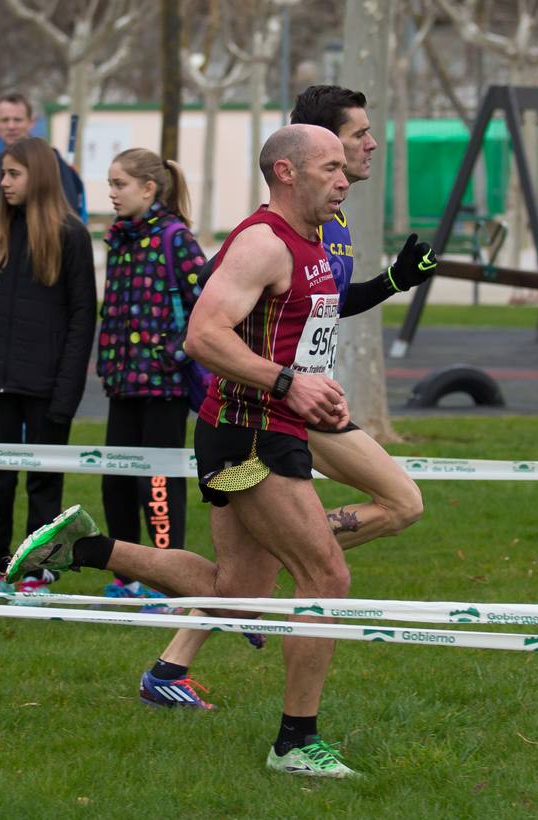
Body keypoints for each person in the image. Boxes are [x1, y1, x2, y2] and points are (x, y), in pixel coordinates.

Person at [4, 125, 362, 777]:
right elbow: (202, 335)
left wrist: (316, 389)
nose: (345, 178)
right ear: (287, 172)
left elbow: (296, 342)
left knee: (237, 593)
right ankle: (296, 742)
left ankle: (82, 547)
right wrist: (287, 383)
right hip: (250, 434)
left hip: (267, 425)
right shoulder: (262, 242)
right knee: (327, 577)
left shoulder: (315, 242)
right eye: (333, 167)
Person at [137, 84, 437, 710]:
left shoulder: (330, 220)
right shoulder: (269, 230)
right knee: (319, 557)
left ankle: (172, 662)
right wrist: (279, 381)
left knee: (382, 515)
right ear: (301, 157)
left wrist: (393, 281)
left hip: (310, 403)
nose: (369, 145)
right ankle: (199, 663)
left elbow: (326, 301)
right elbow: (220, 316)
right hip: (260, 411)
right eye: (355, 137)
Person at [0, 137, 96, 596]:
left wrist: (66, 394)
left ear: (36, 176)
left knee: (44, 483)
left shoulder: (71, 235)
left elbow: (83, 318)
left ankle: (37, 570)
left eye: (13, 174)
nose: (3, 183)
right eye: (2, 173)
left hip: (46, 385)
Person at [94, 147, 205, 604]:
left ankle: (167, 575)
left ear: (148, 188)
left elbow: (210, 307)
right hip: (123, 384)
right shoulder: (118, 240)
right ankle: (126, 576)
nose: (112, 194)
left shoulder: (176, 238)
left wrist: (169, 353)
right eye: (111, 184)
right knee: (115, 480)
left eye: (119, 184)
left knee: (157, 482)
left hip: (164, 386)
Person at [0, 94, 86, 250]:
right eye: (5, 120)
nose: (11, 126)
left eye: (17, 120)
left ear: (31, 122)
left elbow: (69, 215)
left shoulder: (53, 164)